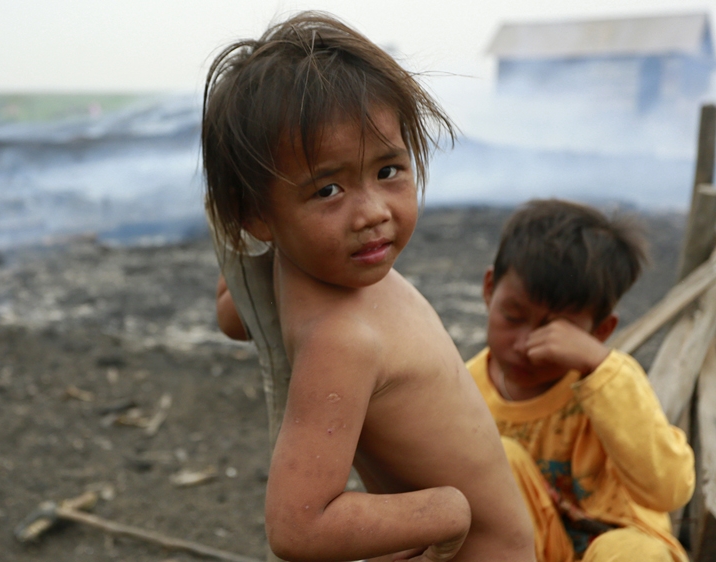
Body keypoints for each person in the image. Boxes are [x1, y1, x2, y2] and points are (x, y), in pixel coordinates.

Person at [203, 12, 535, 562]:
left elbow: (236, 312)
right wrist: (447, 510)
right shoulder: (333, 327)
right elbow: (296, 527)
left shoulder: (313, 288)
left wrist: (447, 511)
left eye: (388, 171)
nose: (373, 213)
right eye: (327, 190)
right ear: (258, 216)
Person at [468, 199, 696, 562]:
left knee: (631, 552)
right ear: (489, 288)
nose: (527, 345)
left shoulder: (611, 384)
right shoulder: (462, 389)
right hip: (524, 552)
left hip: (616, 549)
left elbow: (669, 491)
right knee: (498, 457)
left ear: (600, 330)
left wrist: (601, 366)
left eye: (557, 331)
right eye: (513, 316)